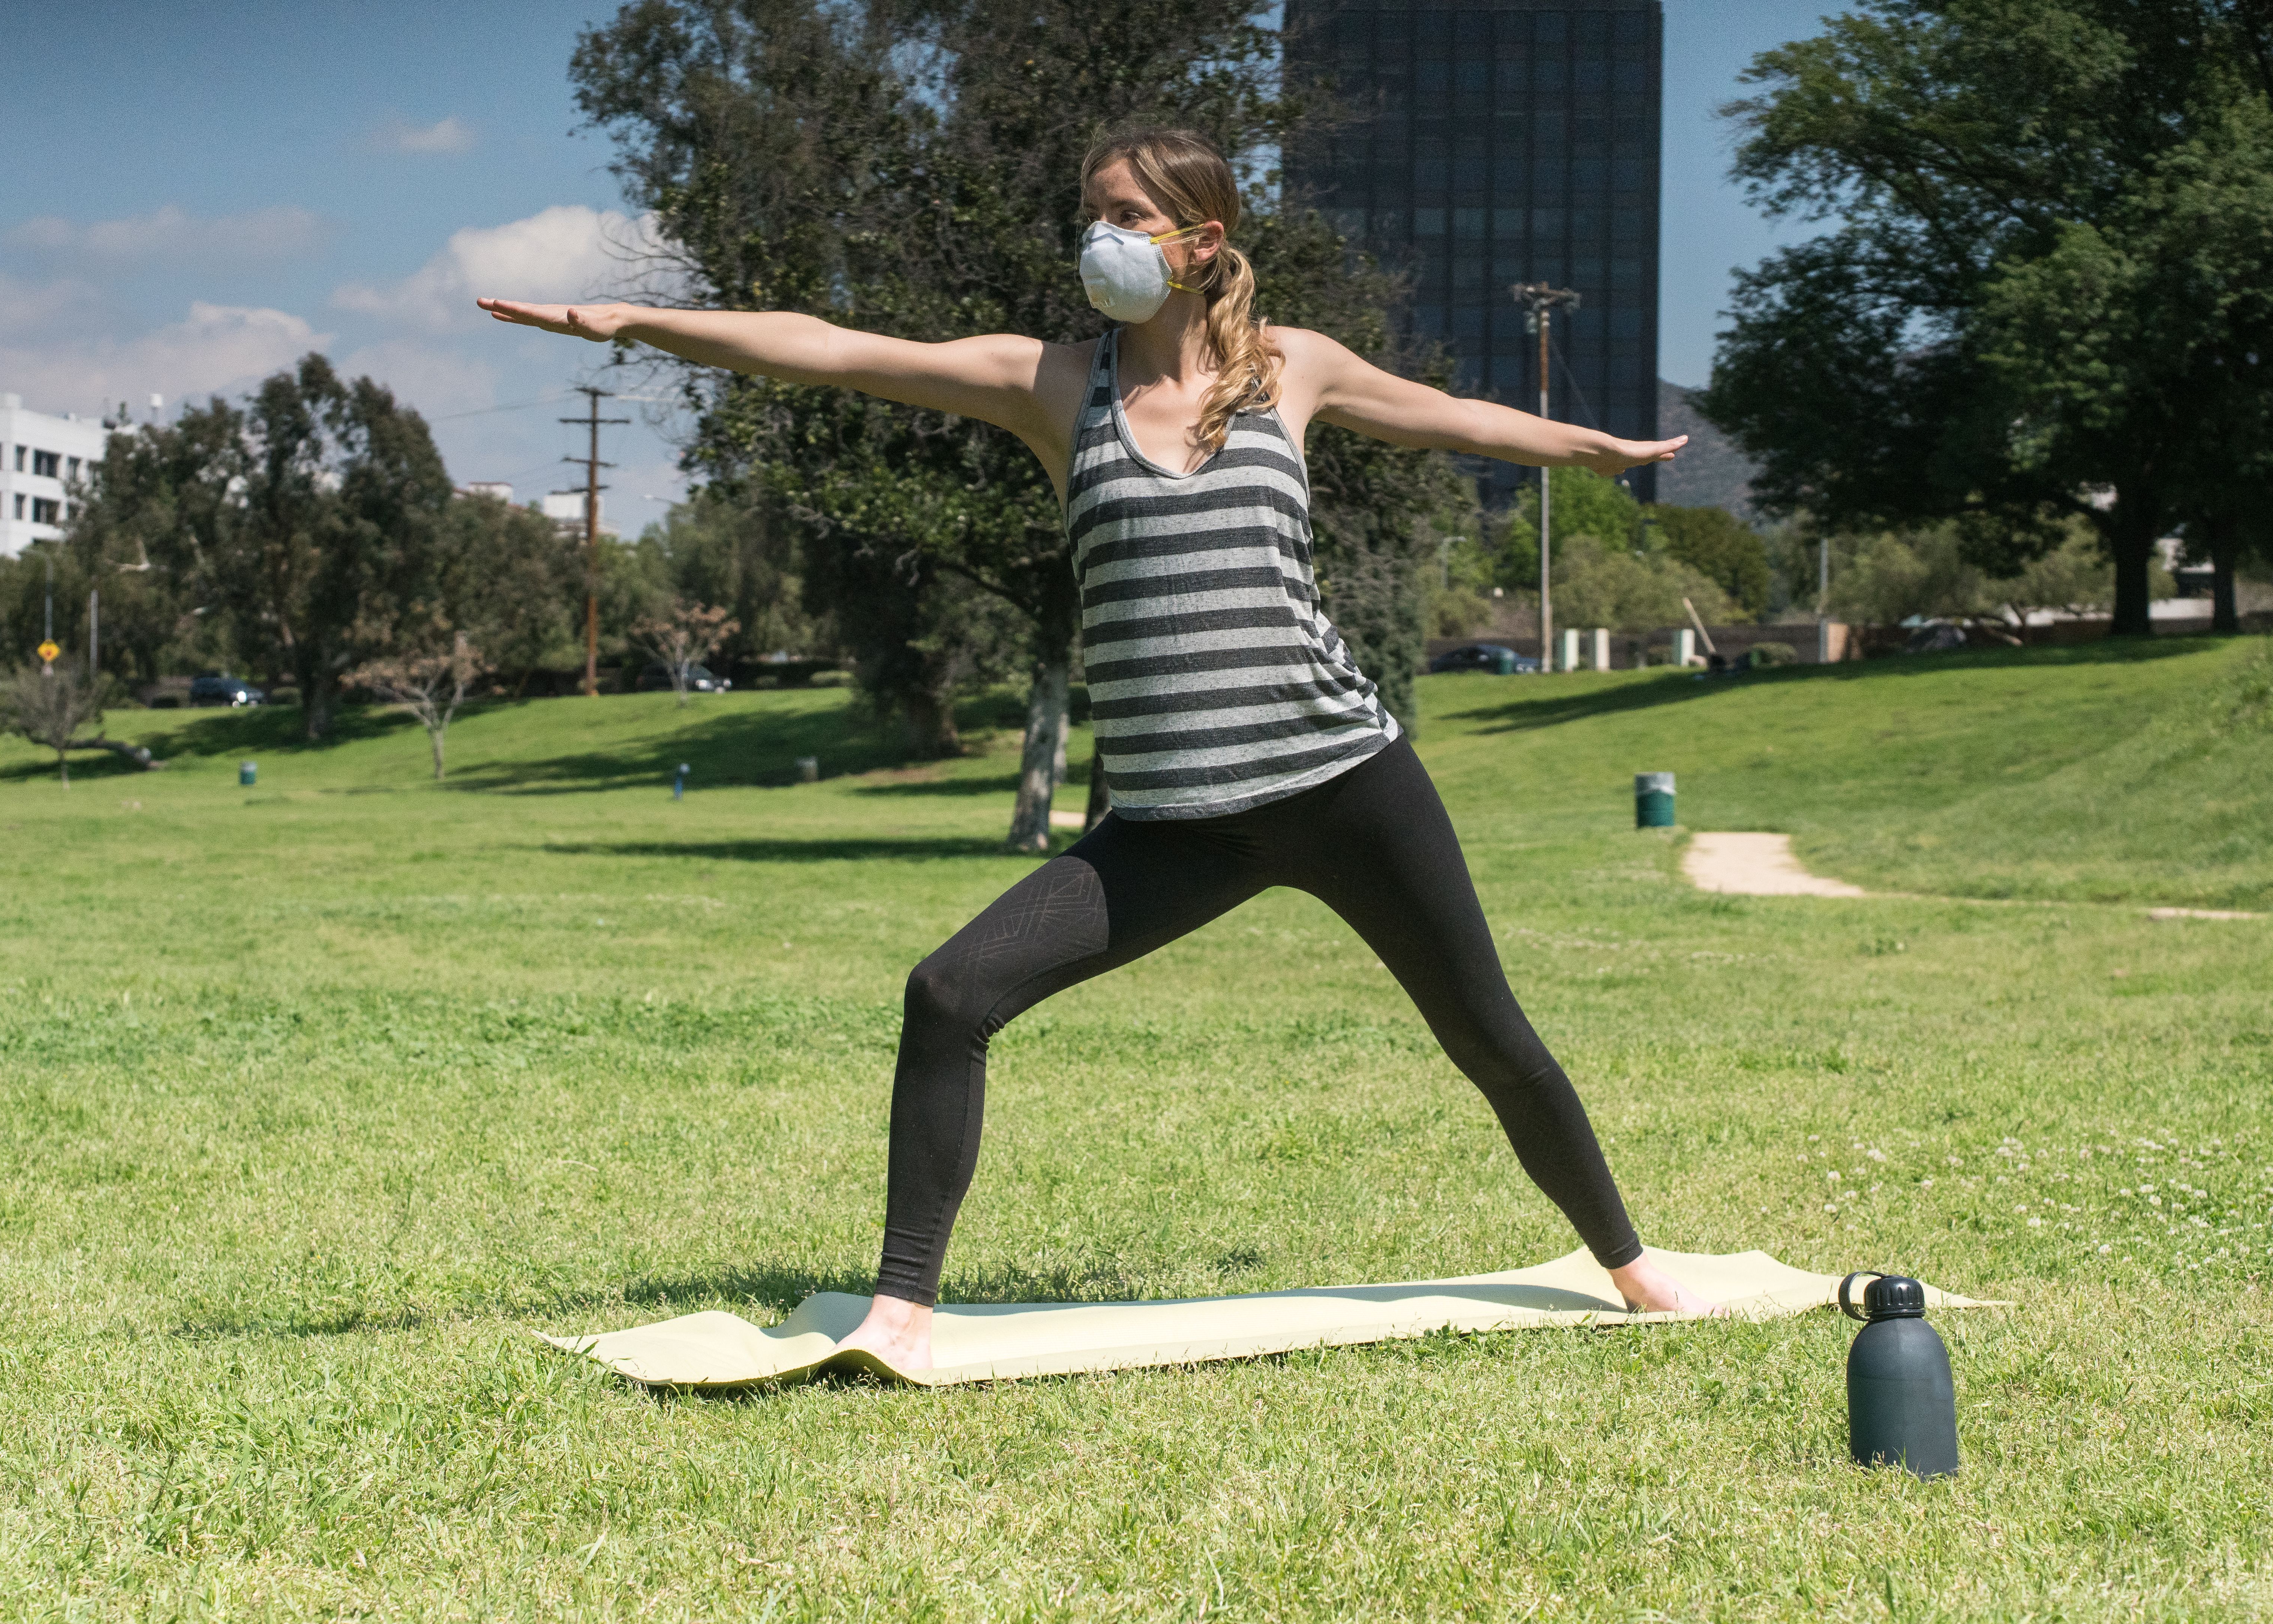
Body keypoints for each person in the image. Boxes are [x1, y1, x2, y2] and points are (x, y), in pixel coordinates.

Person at [482, 128, 1707, 1370]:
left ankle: (1631, 1265)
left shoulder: (1291, 369)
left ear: (1201, 241)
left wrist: (1598, 451)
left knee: (1490, 1036)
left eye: (1125, 214)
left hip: (1344, 783)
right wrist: (635, 322)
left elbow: (1451, 420)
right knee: (949, 994)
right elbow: (837, 349)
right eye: (1090, 211)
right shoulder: (1055, 386)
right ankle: (902, 1310)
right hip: (1176, 824)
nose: (1097, 236)